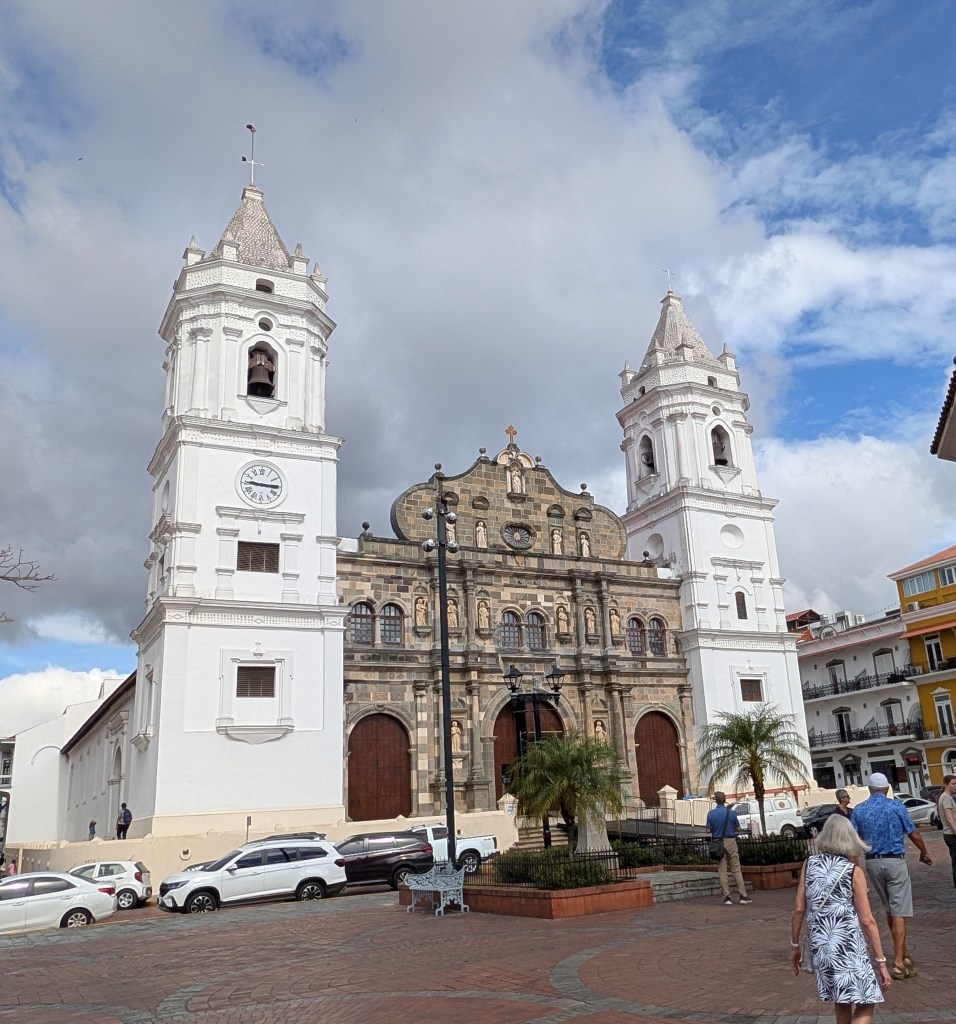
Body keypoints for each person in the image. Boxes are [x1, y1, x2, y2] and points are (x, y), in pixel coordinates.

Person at [790, 814, 891, 1024]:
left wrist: (795, 944)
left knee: (842, 1000)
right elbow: (867, 920)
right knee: (867, 1000)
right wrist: (881, 961)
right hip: (847, 945)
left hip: (822, 946)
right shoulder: (853, 871)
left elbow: (799, 909)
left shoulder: (809, 864)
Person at [851, 772, 932, 980]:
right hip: (895, 860)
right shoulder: (896, 806)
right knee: (899, 910)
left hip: (872, 862)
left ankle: (903, 952)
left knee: (890, 908)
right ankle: (897, 962)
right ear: (887, 789)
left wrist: (855, 867)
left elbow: (852, 841)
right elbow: (913, 833)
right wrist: (924, 851)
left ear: (869, 789)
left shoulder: (859, 810)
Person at [706, 792, 751, 905]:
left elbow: (708, 830)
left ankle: (727, 897)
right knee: (736, 869)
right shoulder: (732, 813)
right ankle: (743, 896)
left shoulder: (711, 814)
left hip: (718, 843)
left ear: (715, 800)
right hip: (731, 841)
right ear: (725, 799)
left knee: (722, 871)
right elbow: (738, 828)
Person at [937, 773, 956, 891]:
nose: (955, 786)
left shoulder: (945, 797)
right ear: (945, 784)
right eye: (953, 784)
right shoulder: (946, 797)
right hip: (951, 835)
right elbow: (949, 818)